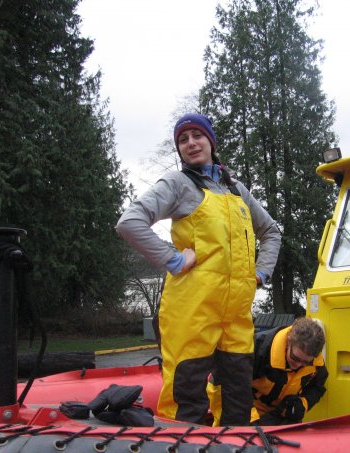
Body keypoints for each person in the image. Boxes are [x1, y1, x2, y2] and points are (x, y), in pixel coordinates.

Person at [116, 113, 281, 425]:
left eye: (197, 136)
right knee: (185, 403)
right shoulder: (178, 184)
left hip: (236, 316)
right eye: (183, 139)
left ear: (211, 141)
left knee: (238, 403)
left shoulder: (236, 190)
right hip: (191, 311)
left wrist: (260, 273)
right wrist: (173, 259)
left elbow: (271, 232)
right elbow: (130, 222)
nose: (190, 143)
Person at [209, 317, 328, 425]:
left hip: (277, 414)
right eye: (295, 358)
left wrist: (303, 403)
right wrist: (250, 420)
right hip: (242, 406)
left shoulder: (316, 363)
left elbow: (317, 387)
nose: (298, 365)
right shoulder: (256, 350)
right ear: (288, 341)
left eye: (306, 362)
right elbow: (233, 387)